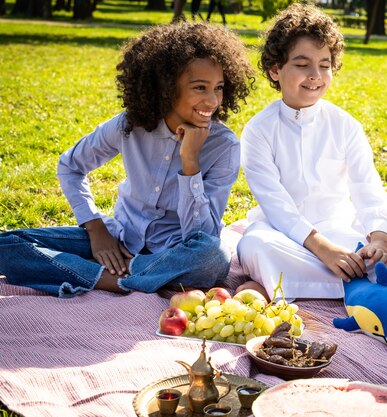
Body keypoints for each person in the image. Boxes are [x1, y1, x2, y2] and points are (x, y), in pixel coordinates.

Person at [0, 23, 255, 298]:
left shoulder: (224, 145)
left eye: (218, 87)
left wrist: (190, 162)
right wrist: (95, 228)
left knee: (214, 257)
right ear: (167, 88)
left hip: (179, 252)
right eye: (200, 87)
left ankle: (106, 277)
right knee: (8, 244)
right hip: (119, 239)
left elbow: (203, 236)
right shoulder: (129, 126)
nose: (212, 100)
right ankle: (143, 278)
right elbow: (71, 166)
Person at [236, 3, 387, 301]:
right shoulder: (258, 130)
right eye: (302, 64)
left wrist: (381, 239)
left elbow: (367, 188)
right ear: (275, 69)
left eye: (324, 64)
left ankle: (285, 284)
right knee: (253, 246)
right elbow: (276, 205)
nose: (315, 75)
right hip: (283, 236)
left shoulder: (345, 125)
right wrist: (323, 249)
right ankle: (367, 284)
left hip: (342, 234)